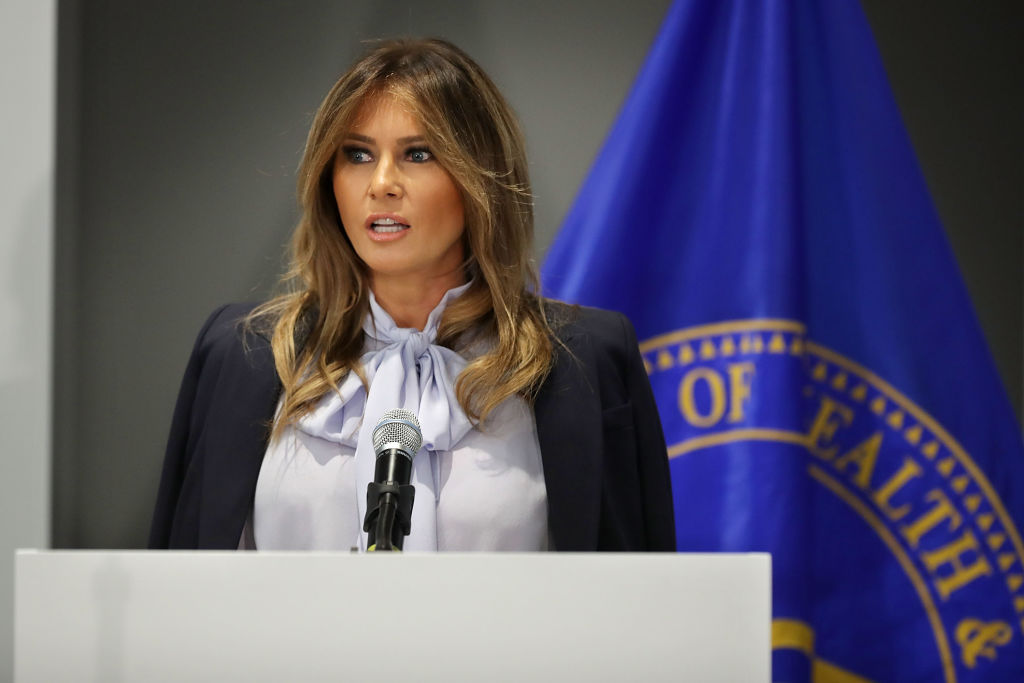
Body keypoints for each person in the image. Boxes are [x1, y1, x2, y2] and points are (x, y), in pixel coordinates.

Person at [148, 38, 675, 552]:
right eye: (356, 154)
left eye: (418, 154)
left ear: (480, 179)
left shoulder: (588, 360)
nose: (381, 183)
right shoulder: (238, 354)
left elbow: (633, 604)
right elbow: (179, 597)